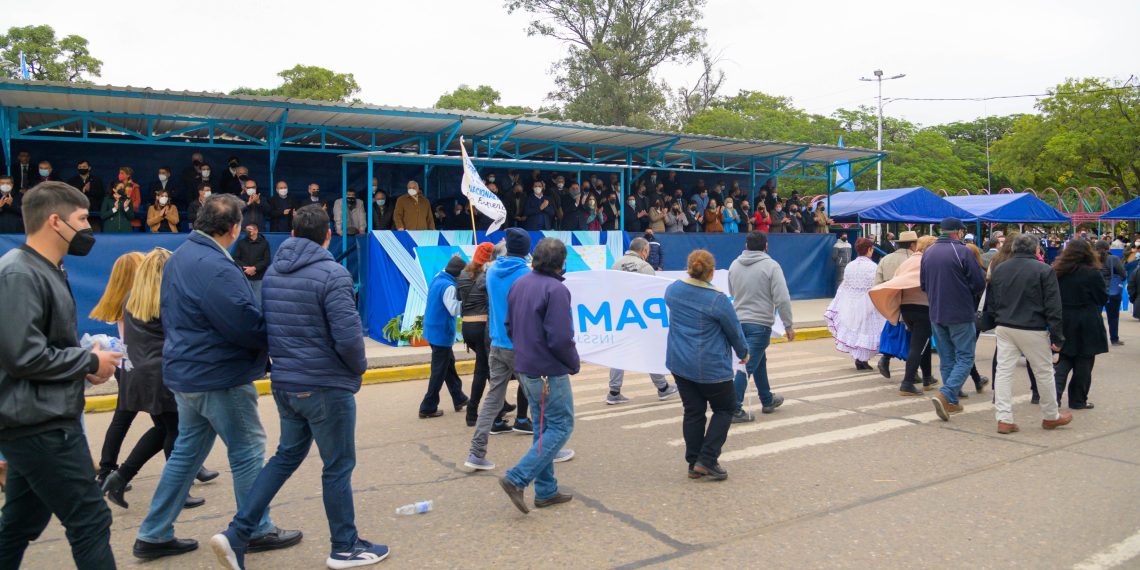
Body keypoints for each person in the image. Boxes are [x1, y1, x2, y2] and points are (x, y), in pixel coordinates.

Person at [210, 204, 388, 570]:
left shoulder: (274, 272)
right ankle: (344, 546)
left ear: (291, 234)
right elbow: (349, 338)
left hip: (287, 383)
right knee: (337, 466)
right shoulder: (333, 274)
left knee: (285, 457)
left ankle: (237, 532)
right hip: (324, 385)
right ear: (328, 236)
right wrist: (358, 370)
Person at [134, 194, 300, 561]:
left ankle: (154, 533)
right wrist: (273, 338)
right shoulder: (216, 266)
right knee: (247, 450)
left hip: (187, 373)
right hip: (218, 376)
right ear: (234, 228)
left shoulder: (182, 257)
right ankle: (256, 528)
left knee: (185, 455)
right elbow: (241, 322)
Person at [0, 181, 122, 568]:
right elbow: (23, 355)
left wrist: (86, 361)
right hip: (40, 424)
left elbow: (39, 346)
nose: (89, 227)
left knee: (21, 522)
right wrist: (88, 363)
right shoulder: (19, 274)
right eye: (82, 218)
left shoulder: (44, 268)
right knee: (91, 519)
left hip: (36, 418)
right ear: (55, 221)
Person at [90, 252, 220, 501]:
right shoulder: (166, 300)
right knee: (175, 431)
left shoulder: (132, 299)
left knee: (164, 429)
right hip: (162, 374)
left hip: (140, 373)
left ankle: (118, 477)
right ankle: (175, 491)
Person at [498, 238, 579, 513]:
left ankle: (546, 491)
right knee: (561, 426)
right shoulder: (556, 289)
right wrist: (573, 362)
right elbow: (560, 338)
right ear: (561, 262)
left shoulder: (520, 283)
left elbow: (509, 325)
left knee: (542, 429)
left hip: (525, 365)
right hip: (548, 369)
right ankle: (517, 477)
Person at [464, 232, 554, 471]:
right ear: (526, 249)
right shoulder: (527, 274)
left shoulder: (492, 271)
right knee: (537, 398)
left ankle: (476, 452)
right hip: (520, 345)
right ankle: (549, 448)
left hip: (496, 343)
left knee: (493, 398)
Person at [664, 250, 747, 481]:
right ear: (711, 272)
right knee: (725, 408)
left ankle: (693, 463)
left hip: (679, 362)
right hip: (710, 366)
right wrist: (744, 353)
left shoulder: (673, 290)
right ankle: (707, 459)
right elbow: (734, 331)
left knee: (693, 411)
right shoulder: (717, 300)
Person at [986, 234, 1072, 434]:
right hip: (1033, 327)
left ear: (1014, 248)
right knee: (1044, 372)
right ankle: (1051, 415)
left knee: (1004, 372)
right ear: (1036, 250)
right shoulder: (1044, 270)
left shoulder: (1000, 269)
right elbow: (1053, 305)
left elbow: (993, 299)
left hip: (1005, 325)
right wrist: (1057, 337)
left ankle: (1004, 418)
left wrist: (996, 318)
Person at [922, 217, 987, 422]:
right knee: (966, 357)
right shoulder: (962, 251)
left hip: (936, 312)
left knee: (947, 357)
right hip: (959, 312)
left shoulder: (928, 252)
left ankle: (951, 402)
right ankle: (947, 393)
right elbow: (978, 283)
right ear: (958, 232)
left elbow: (923, 284)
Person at [728, 231, 794, 423]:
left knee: (758, 361)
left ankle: (767, 399)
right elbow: (782, 298)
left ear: (746, 246)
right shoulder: (771, 266)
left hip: (738, 322)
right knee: (747, 365)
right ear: (766, 246)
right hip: (760, 324)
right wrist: (788, 325)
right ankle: (734, 407)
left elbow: (732, 291)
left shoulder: (734, 264)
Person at [606, 238, 679, 405]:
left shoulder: (615, 265)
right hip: (641, 316)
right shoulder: (645, 267)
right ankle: (662, 388)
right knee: (650, 350)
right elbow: (652, 295)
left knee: (619, 351)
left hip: (621, 314)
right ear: (644, 251)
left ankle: (614, 391)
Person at [870, 236, 940, 396]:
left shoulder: (906, 262)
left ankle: (927, 378)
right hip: (923, 307)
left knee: (923, 344)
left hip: (906, 308)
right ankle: (907, 382)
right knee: (918, 346)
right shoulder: (926, 261)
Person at [1053, 239, 1109, 411]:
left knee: (1065, 358)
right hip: (1087, 318)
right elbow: (1101, 298)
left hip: (1065, 318)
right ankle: (1078, 400)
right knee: (1084, 360)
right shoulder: (1092, 273)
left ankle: (1053, 397)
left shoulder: (1057, 272)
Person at [986, 233, 1042, 403]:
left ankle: (998, 392)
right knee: (1033, 357)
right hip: (1028, 313)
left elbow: (989, 283)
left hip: (1003, 313)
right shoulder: (1033, 263)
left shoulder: (996, 261)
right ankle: (1036, 392)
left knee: (1001, 358)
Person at [419, 256, 470, 418]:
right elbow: (454, 309)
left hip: (433, 328)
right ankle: (428, 406)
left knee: (448, 365)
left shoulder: (438, 277)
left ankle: (458, 397)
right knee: (439, 371)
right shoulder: (448, 287)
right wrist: (469, 301)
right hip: (441, 331)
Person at [825, 237, 885, 370]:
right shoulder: (873, 266)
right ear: (869, 250)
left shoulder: (850, 265)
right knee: (867, 330)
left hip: (852, 302)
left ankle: (860, 359)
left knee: (857, 330)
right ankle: (863, 359)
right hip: (868, 303)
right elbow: (875, 286)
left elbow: (844, 285)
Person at [872, 231, 918, 379]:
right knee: (914, 338)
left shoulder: (885, 259)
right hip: (911, 302)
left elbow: (877, 283)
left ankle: (885, 359)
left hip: (892, 303)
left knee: (892, 332)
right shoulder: (913, 259)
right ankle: (913, 373)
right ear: (912, 244)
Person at [1095, 240, 1126, 346]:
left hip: (1097, 291)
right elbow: (1123, 273)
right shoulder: (1114, 259)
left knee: (1096, 316)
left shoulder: (1092, 260)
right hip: (1113, 291)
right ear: (1108, 248)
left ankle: (1097, 339)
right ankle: (1114, 339)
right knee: (1113, 317)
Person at [233, 222, 271, 305]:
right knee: (244, 302)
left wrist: (255, 268)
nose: (247, 231)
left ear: (256, 231)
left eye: (249, 229)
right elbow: (235, 258)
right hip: (244, 276)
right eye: (246, 230)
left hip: (259, 278)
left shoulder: (265, 243)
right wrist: (246, 268)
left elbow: (266, 260)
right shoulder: (241, 243)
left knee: (258, 303)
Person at [66, 160, 106, 231]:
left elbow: (101, 194)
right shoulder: (72, 181)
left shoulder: (96, 180)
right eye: (80, 167)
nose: (82, 168)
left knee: (95, 234)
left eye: (84, 167)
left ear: (89, 168)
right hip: (77, 212)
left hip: (93, 213)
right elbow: (69, 196)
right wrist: (82, 191)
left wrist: (89, 191)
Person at [102, 168, 140, 233]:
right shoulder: (107, 199)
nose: (122, 189)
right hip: (111, 230)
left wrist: (126, 208)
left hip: (126, 228)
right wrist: (114, 209)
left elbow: (132, 216)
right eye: (120, 188)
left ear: (128, 175)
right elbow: (103, 215)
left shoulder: (128, 198)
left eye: (122, 173)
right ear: (114, 190)